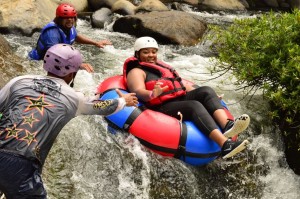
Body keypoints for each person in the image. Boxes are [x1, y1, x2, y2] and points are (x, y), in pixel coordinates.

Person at [0, 44, 138, 198]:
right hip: (21, 165)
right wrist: (123, 101)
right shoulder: (74, 98)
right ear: (72, 73)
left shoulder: (19, 81)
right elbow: (101, 107)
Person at [123, 36, 251, 159]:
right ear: (137, 54)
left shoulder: (161, 67)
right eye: (146, 52)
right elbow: (138, 91)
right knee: (194, 105)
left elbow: (181, 85)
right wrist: (152, 94)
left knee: (206, 91)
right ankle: (225, 145)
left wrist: (210, 96)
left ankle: (228, 126)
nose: (151, 55)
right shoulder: (136, 71)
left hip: (177, 98)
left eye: (153, 52)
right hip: (160, 106)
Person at [28, 3, 112, 73]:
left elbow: (75, 36)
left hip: (56, 61)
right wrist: (79, 65)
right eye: (66, 18)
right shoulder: (52, 33)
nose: (70, 20)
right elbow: (54, 56)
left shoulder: (68, 27)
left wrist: (96, 43)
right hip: (37, 62)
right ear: (59, 19)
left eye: (72, 17)